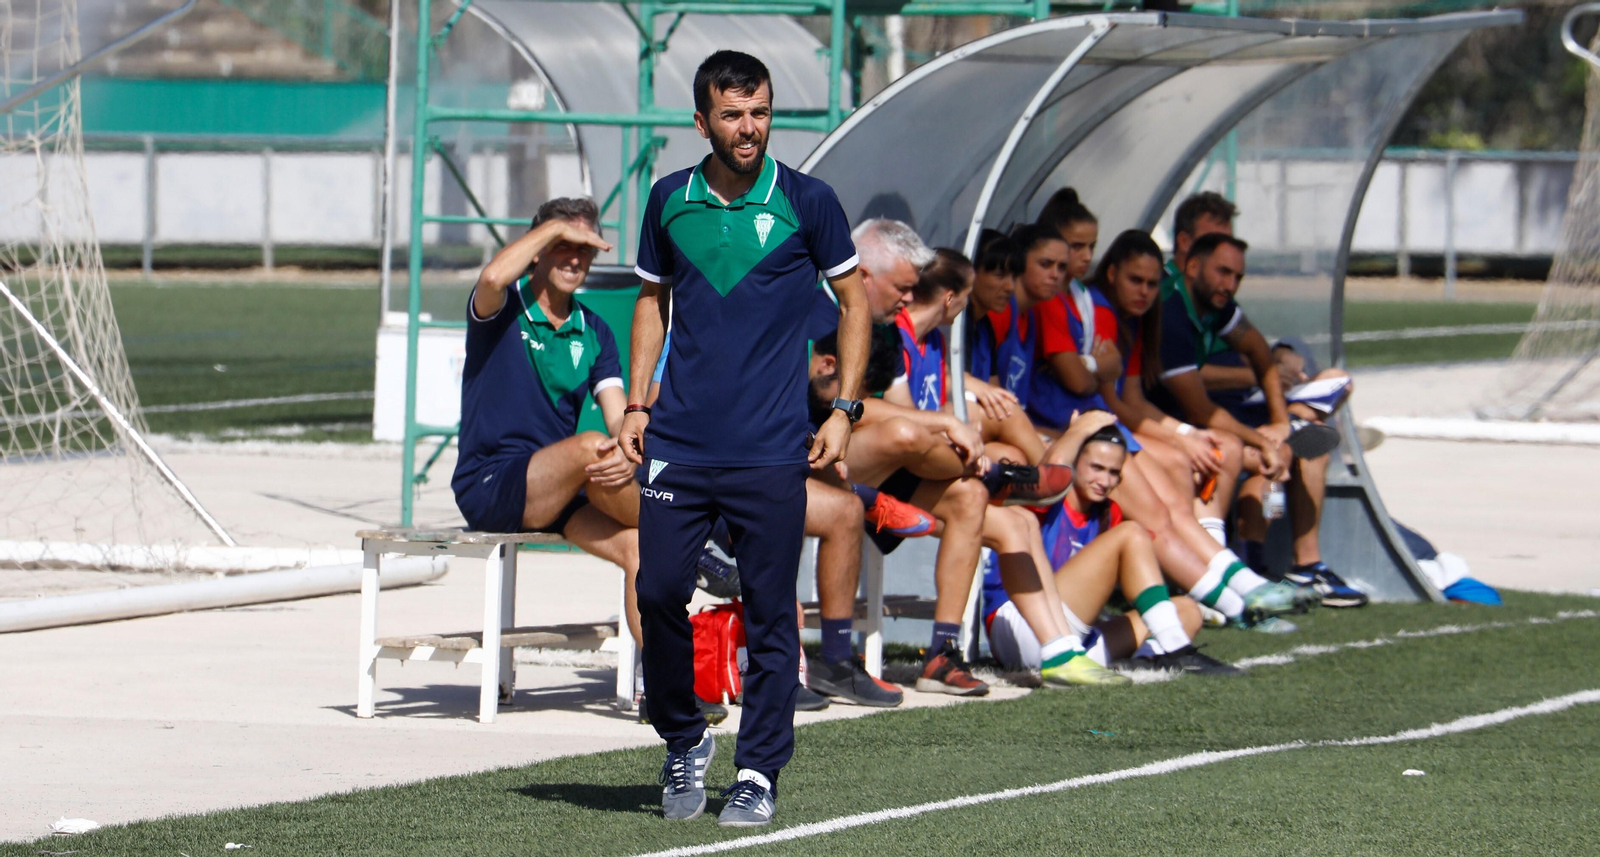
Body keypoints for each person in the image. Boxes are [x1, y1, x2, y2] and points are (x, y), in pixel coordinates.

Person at [620, 50, 871, 827]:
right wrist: (635, 404)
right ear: (702, 122)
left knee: (770, 610)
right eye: (732, 114)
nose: (749, 128)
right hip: (678, 442)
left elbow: (855, 304)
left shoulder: (810, 201)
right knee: (657, 589)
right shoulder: (668, 201)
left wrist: (845, 411)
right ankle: (684, 734)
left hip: (771, 448)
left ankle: (759, 767)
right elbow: (650, 303)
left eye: (759, 112)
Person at [452, 196, 712, 705]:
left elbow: (619, 418)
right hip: (490, 485)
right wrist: (550, 228)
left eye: (585, 250)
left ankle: (665, 690)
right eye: (564, 247)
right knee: (591, 449)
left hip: (561, 490)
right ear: (538, 250)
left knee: (642, 550)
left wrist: (627, 446)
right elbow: (489, 279)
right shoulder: (504, 307)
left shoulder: (593, 331)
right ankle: (701, 544)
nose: (575, 260)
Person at [1152, 232, 1367, 609]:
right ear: (1191, 264)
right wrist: (1265, 442)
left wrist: (1280, 423)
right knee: (1268, 459)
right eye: (1223, 272)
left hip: (1230, 417)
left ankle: (1305, 566)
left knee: (1336, 383)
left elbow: (1260, 354)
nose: (1230, 284)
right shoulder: (1172, 312)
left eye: (1237, 277)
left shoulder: (1216, 306)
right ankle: (1244, 565)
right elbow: (1201, 409)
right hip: (1180, 427)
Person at [983, 422, 1243, 677]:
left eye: (1113, 472)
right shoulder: (1048, 498)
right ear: (1074, 463)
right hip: (1022, 626)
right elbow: (1052, 467)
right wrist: (1081, 428)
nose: (1104, 480)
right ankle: (1178, 652)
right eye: (1096, 468)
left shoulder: (1108, 513)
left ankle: (1144, 661)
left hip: (1073, 638)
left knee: (1187, 610)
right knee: (1132, 533)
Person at [965, 229, 1024, 385]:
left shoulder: (984, 327)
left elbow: (994, 387)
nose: (1010, 287)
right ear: (971, 273)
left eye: (1014, 277)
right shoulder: (956, 328)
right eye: (999, 274)